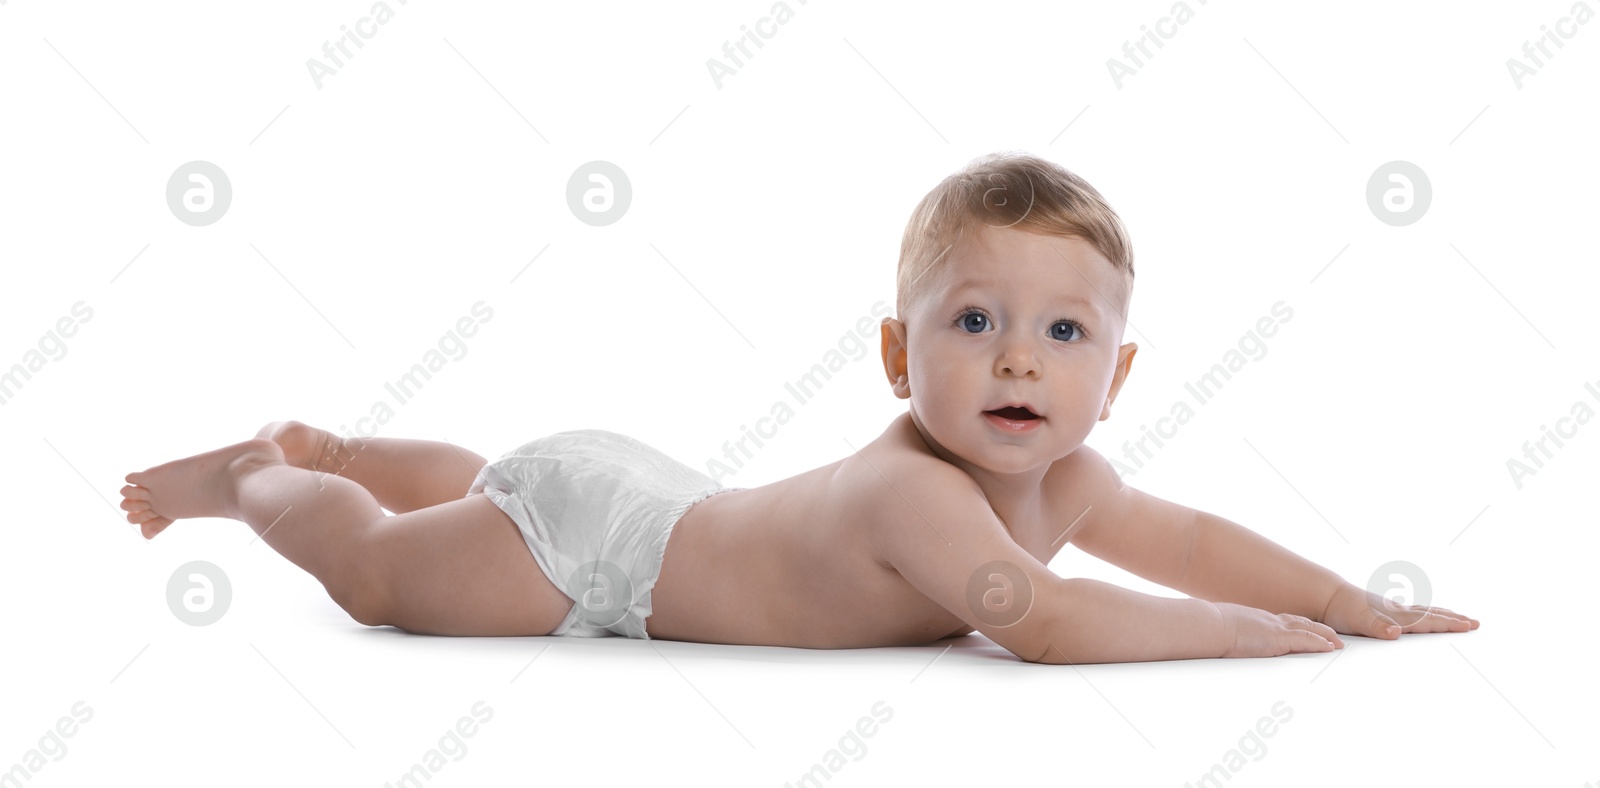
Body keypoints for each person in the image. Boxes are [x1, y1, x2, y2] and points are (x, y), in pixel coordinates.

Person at [119, 151, 1478, 663]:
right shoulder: (913, 491)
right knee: (373, 573)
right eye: (975, 325)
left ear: (1115, 378)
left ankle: (352, 447)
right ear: (900, 358)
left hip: (651, 489)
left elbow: (1182, 541)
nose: (1018, 364)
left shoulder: (1070, 484)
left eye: (1063, 335)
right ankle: (264, 475)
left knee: (494, 480)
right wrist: (1253, 638)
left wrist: (1350, 600)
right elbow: (1045, 622)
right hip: (603, 558)